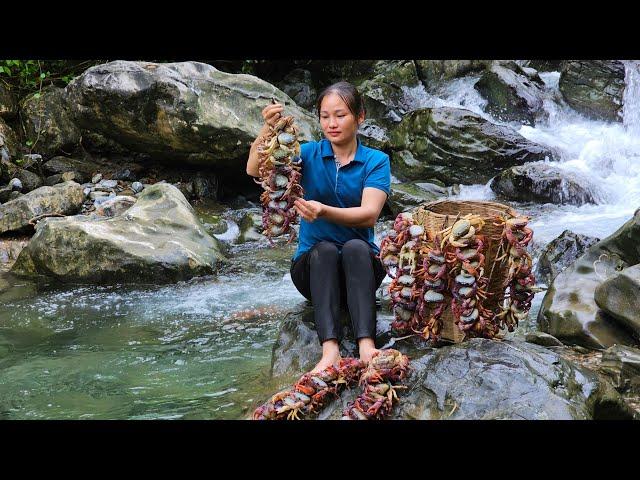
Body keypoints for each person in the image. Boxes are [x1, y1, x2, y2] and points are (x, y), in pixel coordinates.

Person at [246, 81, 390, 373]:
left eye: (340, 115)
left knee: (355, 247)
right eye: (325, 116)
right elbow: (253, 169)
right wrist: (268, 130)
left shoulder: (376, 160)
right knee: (323, 250)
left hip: (360, 270)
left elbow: (369, 215)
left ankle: (366, 345)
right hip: (313, 272)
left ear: (360, 117)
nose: (332, 123)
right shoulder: (307, 154)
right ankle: (330, 351)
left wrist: (323, 211)